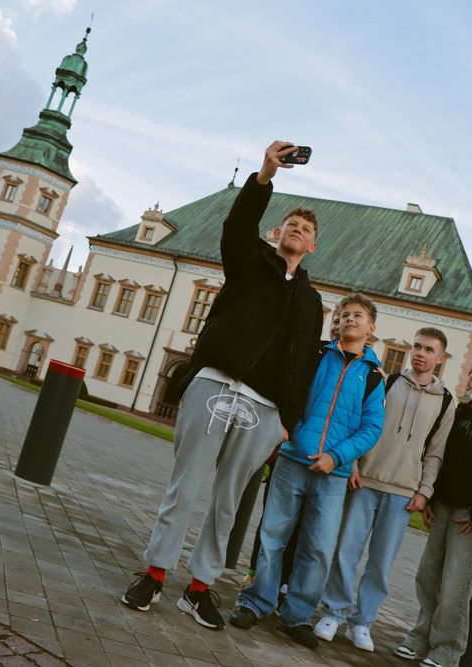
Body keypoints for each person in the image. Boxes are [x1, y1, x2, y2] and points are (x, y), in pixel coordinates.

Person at [121, 142, 324, 630]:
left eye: (307, 230)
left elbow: (303, 370)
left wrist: (287, 423)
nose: (297, 231)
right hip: (215, 384)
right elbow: (236, 227)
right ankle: (153, 573)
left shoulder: (312, 303)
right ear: (277, 234)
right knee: (185, 486)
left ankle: (199, 589)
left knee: (228, 501)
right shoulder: (250, 261)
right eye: (291, 225)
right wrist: (266, 172)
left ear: (314, 246)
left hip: (264, 409)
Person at [230, 293, 386, 648]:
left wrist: (336, 457)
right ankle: (256, 602)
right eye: (345, 313)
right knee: (273, 537)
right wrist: (291, 436)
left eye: (357, 315)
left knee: (317, 548)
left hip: (333, 474)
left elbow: (372, 428)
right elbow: (292, 395)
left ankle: (297, 616)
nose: (349, 319)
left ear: (371, 328)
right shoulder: (315, 356)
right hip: (293, 460)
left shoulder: (374, 378)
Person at [314, 327, 455, 652]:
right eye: (416, 346)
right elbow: (361, 424)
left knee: (380, 563)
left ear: (440, 358)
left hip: (403, 492)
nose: (420, 353)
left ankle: (362, 624)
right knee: (346, 551)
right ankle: (333, 613)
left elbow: (435, 452)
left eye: (428, 349)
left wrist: (425, 490)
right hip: (365, 481)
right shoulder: (386, 382)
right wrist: (351, 464)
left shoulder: (447, 403)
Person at [395, 355, 472, 667]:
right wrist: (432, 499)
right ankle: (420, 637)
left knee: (456, 585)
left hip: (470, 516)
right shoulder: (458, 413)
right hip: (443, 506)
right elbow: (442, 458)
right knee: (428, 576)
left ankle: (447, 651)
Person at [241, 304, 343, 596]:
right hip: (290, 450)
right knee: (271, 521)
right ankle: (255, 575)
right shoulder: (313, 355)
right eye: (334, 321)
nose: (337, 326)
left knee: (301, 530)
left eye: (342, 321)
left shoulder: (358, 368)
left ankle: (285, 581)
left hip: (321, 459)